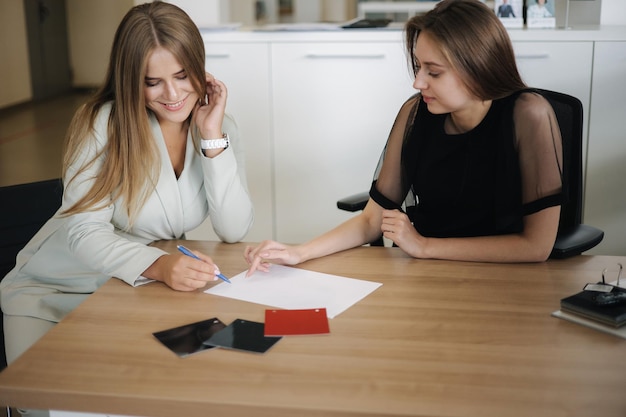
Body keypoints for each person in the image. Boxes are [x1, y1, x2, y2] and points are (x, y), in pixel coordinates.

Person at [0, 2, 253, 412]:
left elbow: (233, 229)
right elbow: (84, 232)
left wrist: (211, 138)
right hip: (56, 292)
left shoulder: (219, 127)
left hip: (139, 292)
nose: (172, 95)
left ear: (200, 67)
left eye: (182, 75)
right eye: (152, 82)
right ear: (130, 80)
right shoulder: (101, 123)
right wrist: (159, 265)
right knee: (69, 406)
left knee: (178, 392)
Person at [245, 0, 563, 275]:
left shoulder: (528, 115)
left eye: (433, 71)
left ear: (477, 67)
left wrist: (424, 246)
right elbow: (372, 219)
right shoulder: (415, 113)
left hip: (503, 280)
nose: (418, 82)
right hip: (424, 274)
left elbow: (536, 246)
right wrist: (299, 252)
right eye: (418, 66)